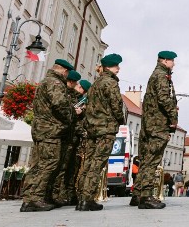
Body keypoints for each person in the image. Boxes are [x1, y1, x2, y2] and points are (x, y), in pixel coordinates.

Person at [20, 59, 74, 212]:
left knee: (38, 164)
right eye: (67, 73)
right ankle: (35, 199)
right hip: (50, 130)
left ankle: (30, 197)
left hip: (41, 129)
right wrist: (70, 117)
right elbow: (60, 104)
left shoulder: (45, 81)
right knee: (49, 163)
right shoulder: (55, 83)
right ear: (64, 71)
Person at [78, 53, 125, 212]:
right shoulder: (110, 83)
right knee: (97, 164)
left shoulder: (95, 83)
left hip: (92, 128)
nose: (118, 69)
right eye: (116, 66)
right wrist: (120, 120)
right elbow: (117, 106)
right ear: (108, 67)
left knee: (89, 163)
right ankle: (87, 199)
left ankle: (81, 198)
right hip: (105, 129)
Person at [134, 51, 179, 210]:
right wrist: (173, 115)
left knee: (147, 158)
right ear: (165, 61)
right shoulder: (160, 76)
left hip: (152, 123)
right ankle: (146, 197)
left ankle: (139, 194)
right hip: (157, 124)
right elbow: (164, 99)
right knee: (151, 160)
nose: (174, 63)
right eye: (172, 61)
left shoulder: (158, 74)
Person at [52, 70, 85, 206]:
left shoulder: (73, 96)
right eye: (76, 84)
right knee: (61, 167)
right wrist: (75, 112)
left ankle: (66, 194)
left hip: (71, 136)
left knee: (70, 168)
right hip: (63, 135)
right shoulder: (63, 93)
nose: (78, 87)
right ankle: (55, 194)